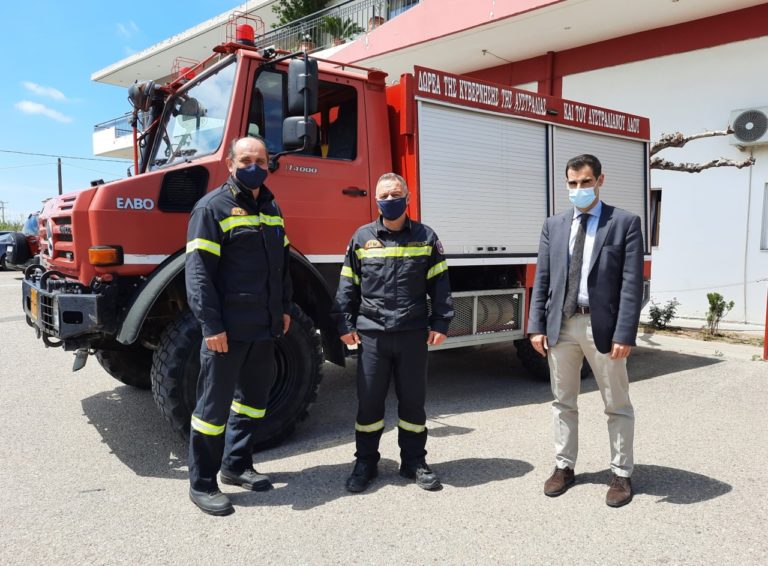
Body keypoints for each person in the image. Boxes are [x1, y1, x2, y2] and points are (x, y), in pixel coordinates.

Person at [528, 154, 643, 508]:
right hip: (561, 325)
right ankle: (564, 467)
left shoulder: (624, 223)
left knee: (616, 403)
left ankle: (621, 473)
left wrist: (625, 332)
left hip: (603, 327)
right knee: (562, 400)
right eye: (572, 183)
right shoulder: (554, 225)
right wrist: (536, 325)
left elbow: (630, 283)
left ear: (600, 180)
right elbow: (543, 277)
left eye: (585, 182)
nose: (578, 189)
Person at [185, 136, 292, 516]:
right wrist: (210, 326)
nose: (254, 166)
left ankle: (236, 464)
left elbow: (282, 263)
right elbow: (198, 274)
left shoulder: (272, 207)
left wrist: (284, 307)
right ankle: (201, 483)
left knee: (252, 403)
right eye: (246, 159)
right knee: (211, 412)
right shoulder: (212, 208)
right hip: (226, 331)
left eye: (261, 159)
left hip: (263, 326)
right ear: (230, 164)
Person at [333, 173, 454, 493]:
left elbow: (440, 284)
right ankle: (365, 462)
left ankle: (413, 461)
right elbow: (348, 285)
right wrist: (344, 324)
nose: (390, 199)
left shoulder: (426, 237)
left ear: (408, 197)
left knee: (413, 403)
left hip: (413, 333)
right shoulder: (361, 238)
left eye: (395, 194)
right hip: (373, 335)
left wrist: (441, 323)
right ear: (375, 200)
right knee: (369, 403)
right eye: (384, 195)